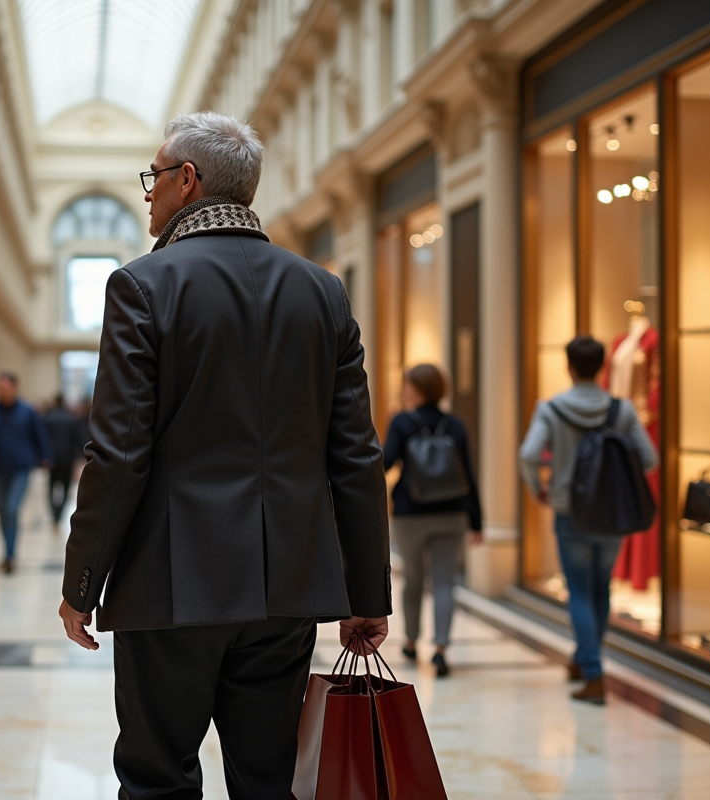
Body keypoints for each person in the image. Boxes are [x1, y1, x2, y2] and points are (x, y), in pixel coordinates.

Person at [57, 112, 391, 799]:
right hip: (287, 589)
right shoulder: (322, 291)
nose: (147, 193)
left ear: (188, 180)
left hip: (171, 582)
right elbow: (355, 455)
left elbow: (119, 455)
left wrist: (81, 582)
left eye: (154, 178)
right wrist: (366, 592)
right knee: (266, 778)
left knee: (158, 777)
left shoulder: (143, 286)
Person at [519, 335, 658, 704]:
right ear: (602, 367)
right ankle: (584, 659)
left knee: (579, 590)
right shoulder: (621, 410)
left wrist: (539, 487)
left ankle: (593, 672)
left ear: (569, 366)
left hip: (569, 511)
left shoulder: (551, 409)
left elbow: (530, 454)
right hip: (611, 513)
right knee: (601, 587)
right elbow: (650, 459)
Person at [382, 364, 482, 678]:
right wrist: (477, 520)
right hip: (453, 514)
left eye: (407, 385)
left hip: (411, 515)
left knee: (413, 580)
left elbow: (384, 463)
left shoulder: (402, 422)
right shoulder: (455, 425)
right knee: (444, 582)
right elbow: (468, 472)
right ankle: (440, 649)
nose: (403, 390)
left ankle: (411, 641)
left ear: (418, 389)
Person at [0, 372, 53, 573]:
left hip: (21, 468)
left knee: (12, 509)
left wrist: (46, 456)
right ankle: (7, 550)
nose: (1, 392)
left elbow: (39, 435)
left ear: (14, 388)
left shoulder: (28, 411)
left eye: (4, 388)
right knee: (2, 512)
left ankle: (10, 555)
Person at [42, 394, 83, 528]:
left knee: (52, 485)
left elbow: (44, 439)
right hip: (67, 458)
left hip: (52, 458)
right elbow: (77, 441)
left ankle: (54, 512)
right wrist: (77, 459)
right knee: (65, 487)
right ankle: (59, 513)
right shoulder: (71, 419)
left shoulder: (48, 418)